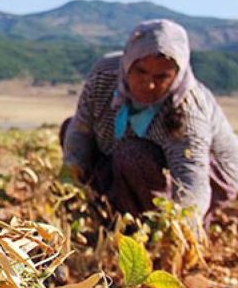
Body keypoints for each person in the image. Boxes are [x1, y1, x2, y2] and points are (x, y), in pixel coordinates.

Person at [61, 19, 238, 226]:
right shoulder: (104, 76)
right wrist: (70, 179)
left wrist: (179, 229)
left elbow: (192, 182)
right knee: (69, 129)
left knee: (132, 154)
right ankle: (109, 215)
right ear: (128, 63)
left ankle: (142, 228)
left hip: (209, 174)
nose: (149, 84)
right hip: (133, 159)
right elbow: (80, 129)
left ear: (177, 75)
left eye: (162, 76)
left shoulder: (186, 110)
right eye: (141, 71)